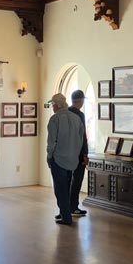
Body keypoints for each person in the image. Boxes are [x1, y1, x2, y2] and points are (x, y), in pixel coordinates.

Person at [46, 93, 84, 225]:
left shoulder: (55, 119)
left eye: (52, 105)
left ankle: (66, 217)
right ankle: (64, 213)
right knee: (67, 187)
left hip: (58, 159)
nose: (52, 107)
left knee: (60, 189)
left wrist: (49, 156)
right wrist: (75, 154)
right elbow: (80, 140)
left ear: (56, 105)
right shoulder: (76, 118)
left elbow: (51, 142)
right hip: (72, 159)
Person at [68, 89, 89, 217]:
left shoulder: (65, 113)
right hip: (78, 152)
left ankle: (65, 207)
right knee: (77, 180)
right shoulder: (79, 115)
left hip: (66, 152)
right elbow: (83, 136)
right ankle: (73, 207)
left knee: (66, 181)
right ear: (80, 101)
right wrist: (85, 154)